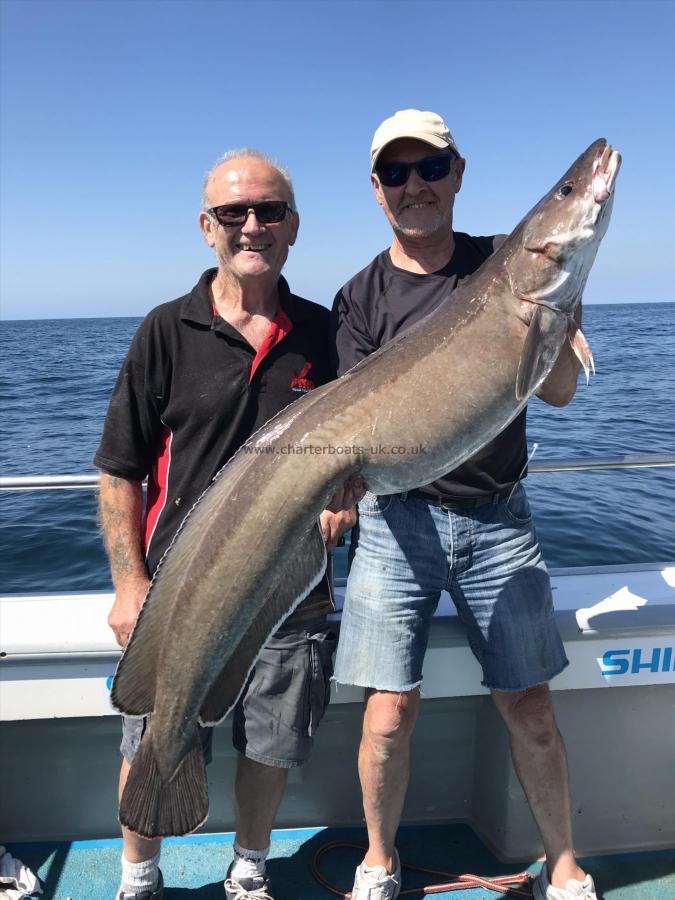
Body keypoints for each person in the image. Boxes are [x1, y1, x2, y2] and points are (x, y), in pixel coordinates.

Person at [331, 110, 597, 900]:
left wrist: (552, 316)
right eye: (395, 174)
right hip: (394, 524)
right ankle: (379, 859)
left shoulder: (501, 262)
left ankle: (563, 864)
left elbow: (557, 394)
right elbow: (352, 425)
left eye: (429, 169)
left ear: (457, 172)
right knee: (386, 714)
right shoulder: (359, 298)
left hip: (498, 522)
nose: (413, 186)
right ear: (377, 191)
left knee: (531, 709)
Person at [95, 149, 356, 900]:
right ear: (206, 226)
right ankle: (138, 877)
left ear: (293, 227)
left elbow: (355, 450)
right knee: (152, 734)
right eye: (234, 213)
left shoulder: (325, 334)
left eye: (269, 211)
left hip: (292, 587)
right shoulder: (164, 331)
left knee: (270, 742)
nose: (252, 226)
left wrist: (348, 490)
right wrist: (128, 580)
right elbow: (119, 468)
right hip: (176, 591)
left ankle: (248, 870)